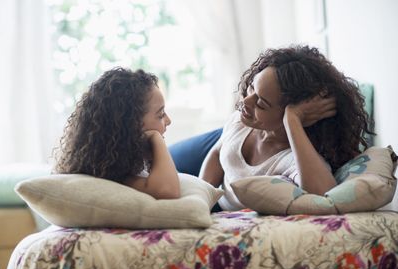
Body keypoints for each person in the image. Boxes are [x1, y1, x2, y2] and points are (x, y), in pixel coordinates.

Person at [199, 45, 374, 211]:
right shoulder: (240, 118)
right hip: (214, 151)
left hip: (225, 202)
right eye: (252, 87)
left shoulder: (291, 158)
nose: (245, 101)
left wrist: (292, 120)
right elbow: (216, 153)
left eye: (261, 103)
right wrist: (199, 199)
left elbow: (325, 196)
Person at [54, 67, 180, 199]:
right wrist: (156, 138)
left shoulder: (120, 166)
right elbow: (168, 190)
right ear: (132, 124)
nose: (168, 121)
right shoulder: (111, 176)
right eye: (160, 115)